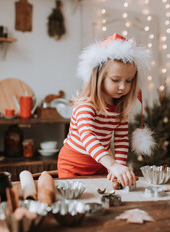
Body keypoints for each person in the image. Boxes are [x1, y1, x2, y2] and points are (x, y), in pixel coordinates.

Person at [57, 33, 154, 187]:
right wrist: (112, 165)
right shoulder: (86, 104)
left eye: (128, 81)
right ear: (98, 77)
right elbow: (87, 136)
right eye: (116, 80)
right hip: (72, 166)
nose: (123, 86)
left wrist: (119, 166)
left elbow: (121, 140)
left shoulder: (120, 108)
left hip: (99, 164)